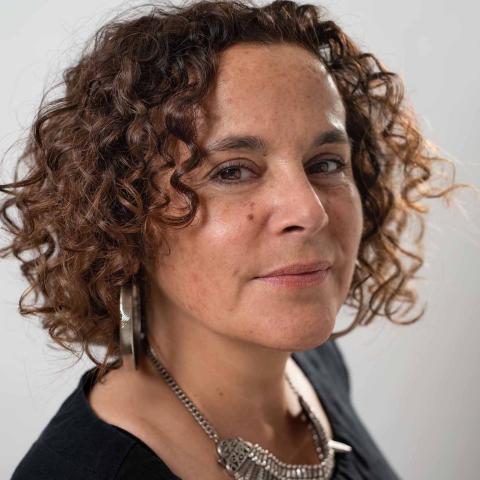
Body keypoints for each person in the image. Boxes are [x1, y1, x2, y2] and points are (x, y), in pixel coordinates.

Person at [1, 0, 469, 479]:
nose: (310, 211)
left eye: (326, 163)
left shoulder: (314, 366)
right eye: (232, 171)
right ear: (121, 215)